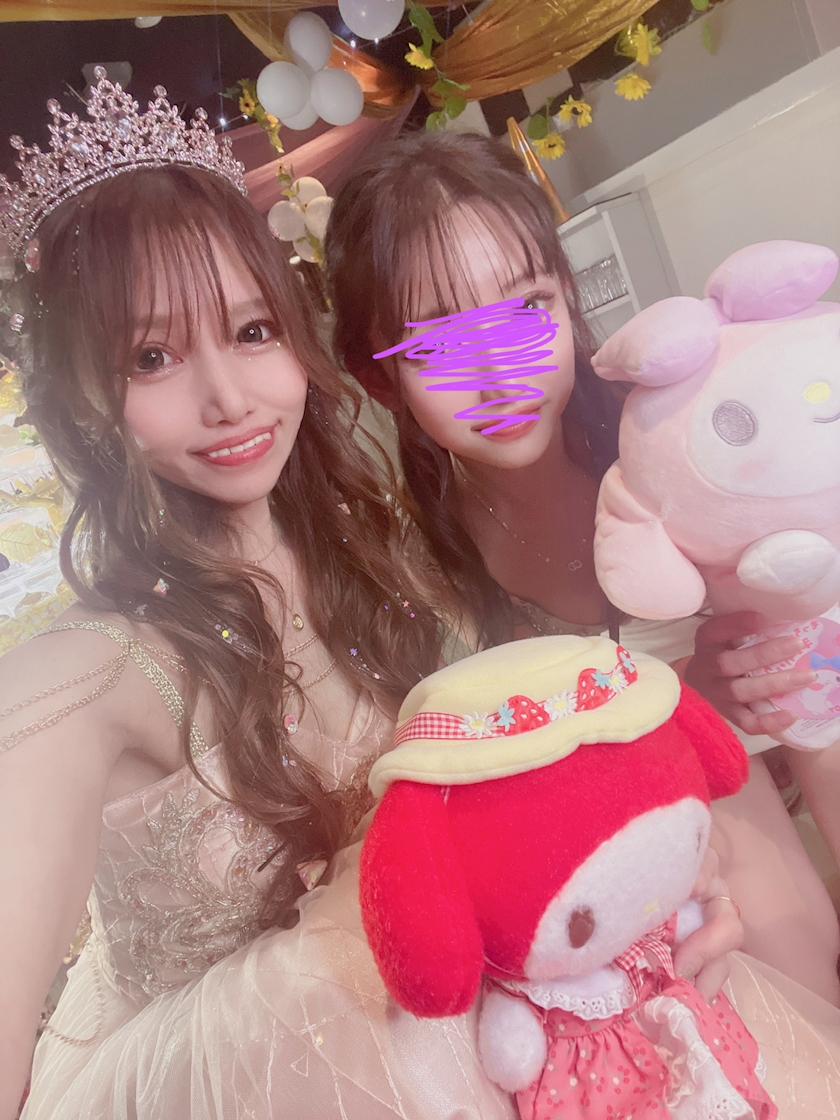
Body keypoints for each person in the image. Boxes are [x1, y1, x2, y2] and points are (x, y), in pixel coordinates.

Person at [0, 80, 818, 1120]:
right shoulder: (87, 674)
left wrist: (647, 896)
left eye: (251, 331)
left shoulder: (384, 555)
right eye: (150, 357)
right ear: (75, 388)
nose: (229, 399)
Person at [325, 128, 840, 1004]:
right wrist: (678, 706)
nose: (500, 370)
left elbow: (820, 661)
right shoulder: (412, 588)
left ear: (566, 294)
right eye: (440, 344)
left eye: (526, 307)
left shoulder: (681, 448)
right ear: (379, 379)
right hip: (649, 920)